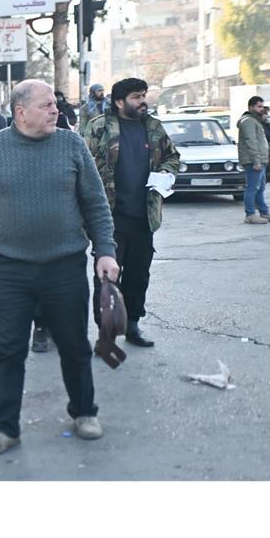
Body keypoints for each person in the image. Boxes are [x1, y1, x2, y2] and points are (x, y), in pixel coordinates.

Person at [0, 79, 120, 457]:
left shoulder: (71, 145)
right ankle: (4, 429)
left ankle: (84, 412)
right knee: (8, 350)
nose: (56, 110)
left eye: (55, 104)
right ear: (20, 112)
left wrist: (105, 251)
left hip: (64, 267)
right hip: (8, 270)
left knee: (74, 345)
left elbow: (95, 205)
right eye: (47, 105)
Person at [86, 77, 181, 348]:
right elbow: (82, 165)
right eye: (136, 97)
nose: (143, 101)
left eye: (144, 95)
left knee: (139, 275)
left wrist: (166, 172)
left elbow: (173, 157)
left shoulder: (153, 128)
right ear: (119, 102)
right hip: (109, 218)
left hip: (144, 217)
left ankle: (132, 326)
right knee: (107, 279)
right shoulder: (99, 128)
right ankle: (106, 334)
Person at [237, 96, 270, 225]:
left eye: (262, 106)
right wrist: (256, 161)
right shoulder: (248, 121)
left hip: (261, 159)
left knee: (260, 187)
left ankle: (264, 212)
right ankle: (250, 214)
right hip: (253, 160)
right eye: (259, 106)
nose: (262, 109)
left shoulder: (257, 121)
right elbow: (250, 142)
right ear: (251, 107)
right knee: (252, 187)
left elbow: (267, 138)